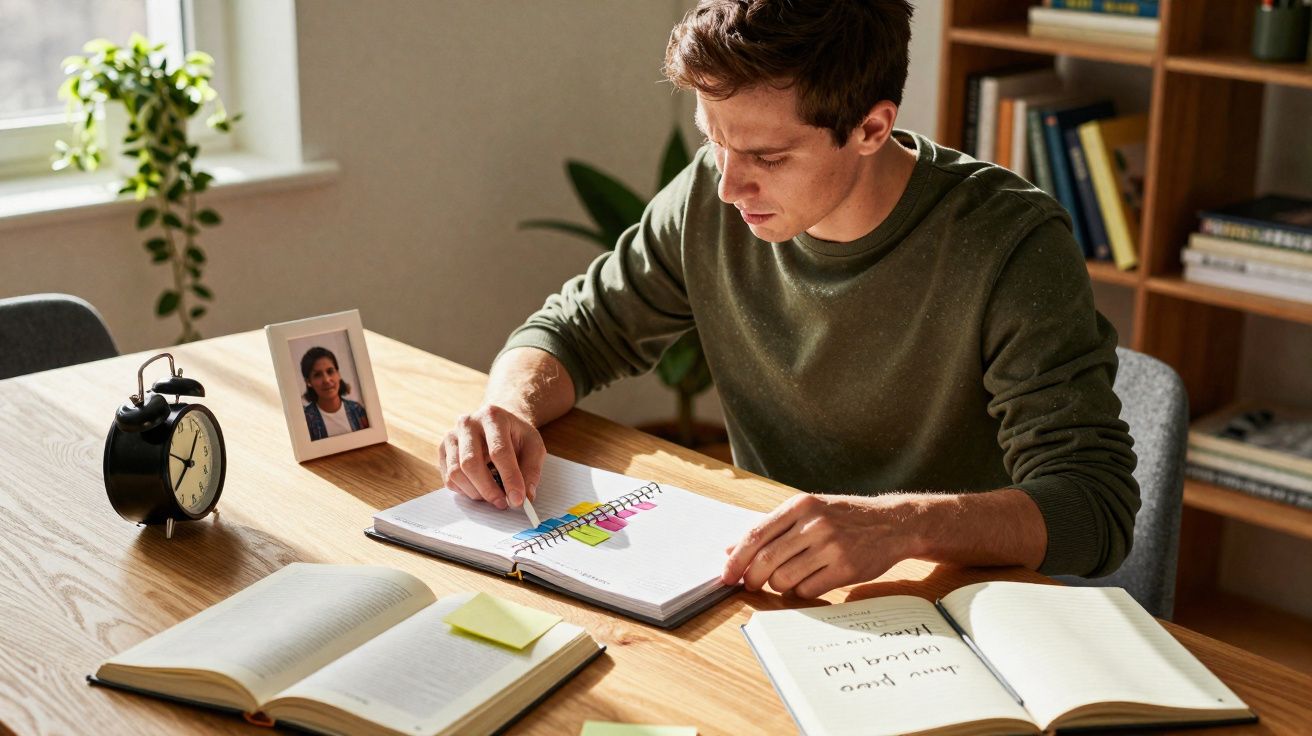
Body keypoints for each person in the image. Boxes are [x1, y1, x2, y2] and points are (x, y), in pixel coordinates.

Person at [437, 0, 1139, 599]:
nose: (727, 187)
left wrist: (901, 525)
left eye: (768, 159)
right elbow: (573, 331)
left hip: (948, 607)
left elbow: (1094, 508)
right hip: (766, 589)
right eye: (714, 143)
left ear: (871, 127)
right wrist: (507, 408)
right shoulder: (712, 205)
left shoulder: (1010, 243)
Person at [301, 346, 369, 441]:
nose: (326, 380)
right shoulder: (305, 420)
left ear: (338, 374)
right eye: (317, 375)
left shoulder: (358, 411)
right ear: (308, 382)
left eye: (330, 371)